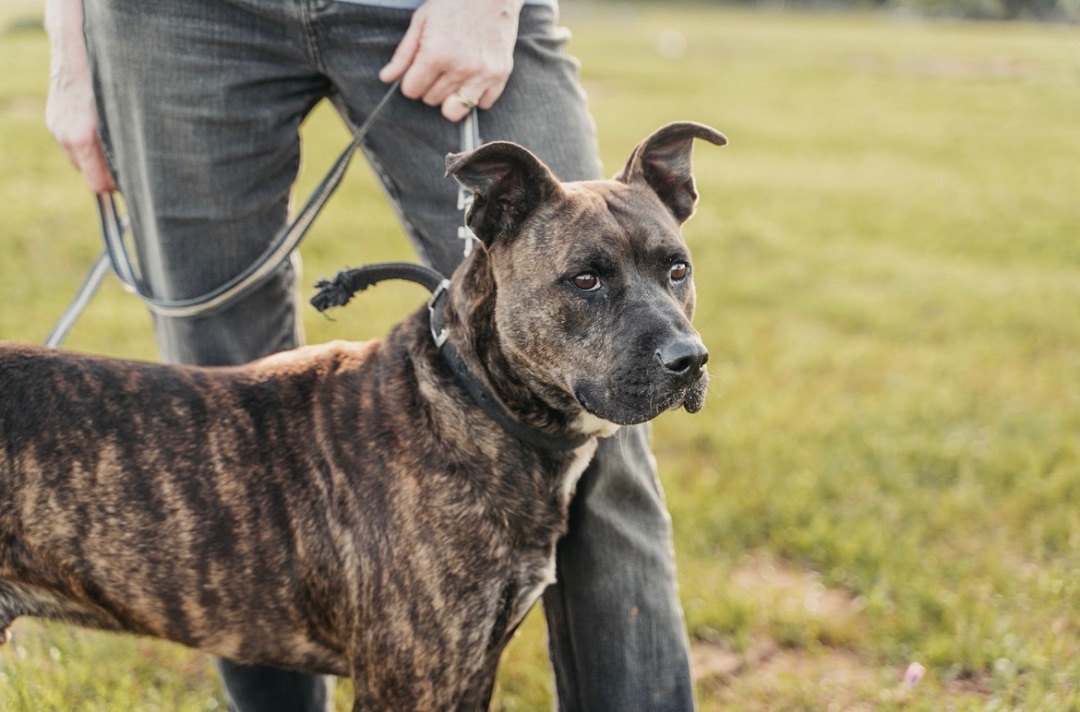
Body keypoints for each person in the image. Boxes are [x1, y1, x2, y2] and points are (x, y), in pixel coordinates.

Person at [45, 0, 697, 709]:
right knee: (220, 438)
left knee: (604, 429)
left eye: (676, 271)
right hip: (175, 21)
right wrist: (70, 47)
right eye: (591, 283)